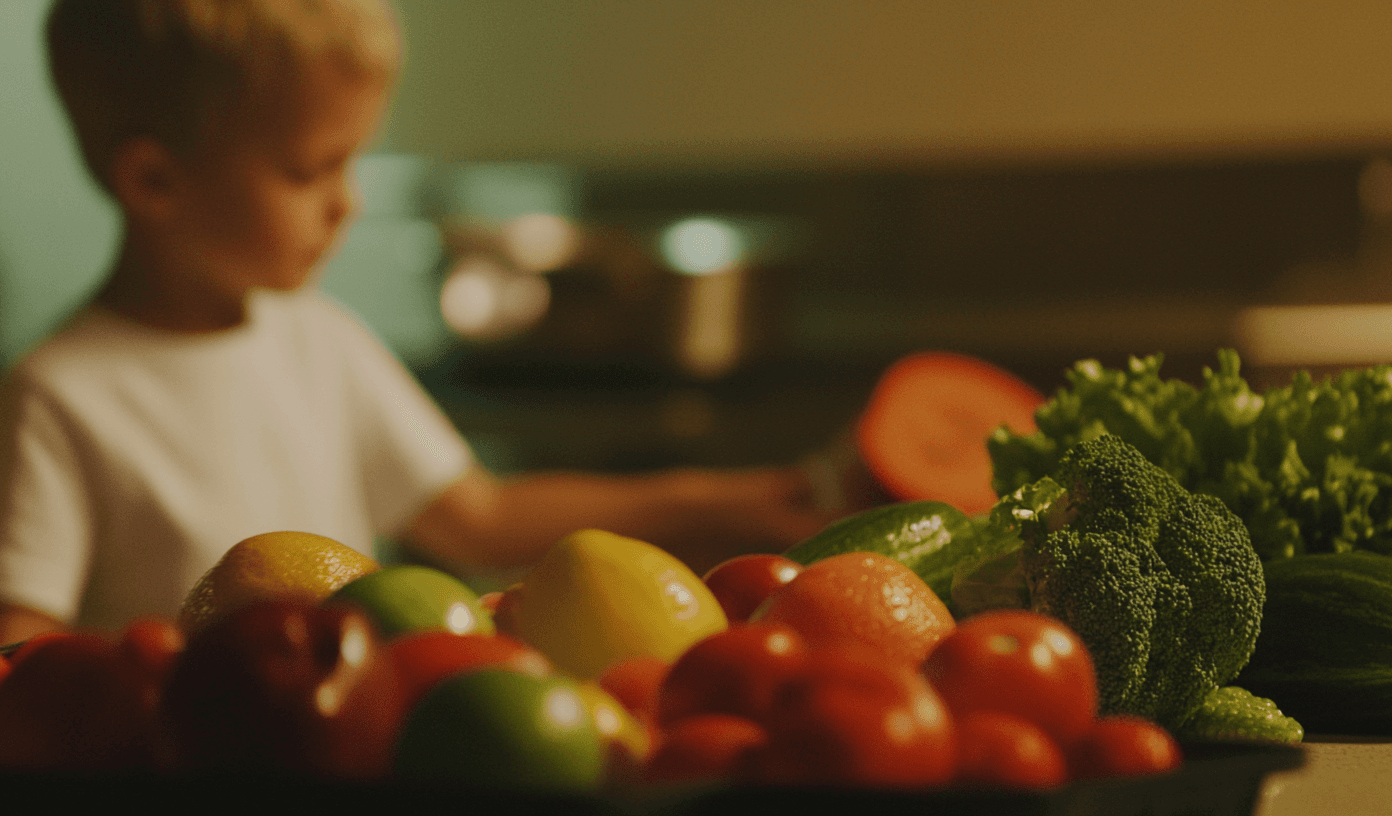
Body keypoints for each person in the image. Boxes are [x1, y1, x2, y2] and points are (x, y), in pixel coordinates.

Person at [0, 0, 836, 644]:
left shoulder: (321, 340)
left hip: (349, 744)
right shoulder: (58, 398)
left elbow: (483, 519)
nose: (348, 202)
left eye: (352, 162)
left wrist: (720, 497)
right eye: (311, 171)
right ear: (153, 180)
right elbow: (21, 651)